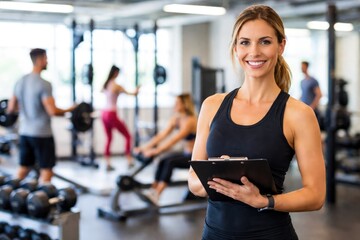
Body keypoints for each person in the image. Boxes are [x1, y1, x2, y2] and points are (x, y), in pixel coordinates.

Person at [188, 5, 326, 240]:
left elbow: (316, 195)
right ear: (235, 48)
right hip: (214, 235)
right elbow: (194, 182)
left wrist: (264, 201)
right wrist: (221, 174)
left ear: (281, 46)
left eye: (264, 42)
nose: (254, 52)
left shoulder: (297, 114)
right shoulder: (212, 106)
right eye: (244, 42)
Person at [7, 48, 76, 183]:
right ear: (39, 60)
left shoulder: (20, 81)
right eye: (46, 58)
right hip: (42, 134)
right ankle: (42, 201)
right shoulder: (44, 84)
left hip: (25, 132)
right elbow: (52, 111)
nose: (47, 61)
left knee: (23, 169)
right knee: (46, 171)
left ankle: (9, 196)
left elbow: (10, 108)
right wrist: (71, 109)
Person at [134, 93, 197, 205]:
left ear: (185, 104)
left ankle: (157, 194)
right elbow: (161, 135)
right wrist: (144, 148)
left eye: (177, 103)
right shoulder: (176, 119)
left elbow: (174, 140)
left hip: (195, 158)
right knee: (163, 160)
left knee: (170, 162)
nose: (175, 105)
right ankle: (152, 191)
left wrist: (155, 151)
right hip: (186, 154)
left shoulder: (191, 120)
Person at [101, 65, 139, 171]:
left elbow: (103, 92)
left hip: (103, 113)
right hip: (111, 113)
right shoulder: (117, 85)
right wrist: (137, 90)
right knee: (128, 136)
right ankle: (129, 160)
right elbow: (132, 94)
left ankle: (107, 163)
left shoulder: (105, 84)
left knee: (109, 138)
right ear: (115, 73)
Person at [300, 61, 324, 129]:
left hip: (312, 110)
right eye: (301, 67)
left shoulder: (313, 81)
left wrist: (312, 106)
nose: (301, 68)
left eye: (303, 66)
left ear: (307, 67)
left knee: (313, 130)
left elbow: (319, 95)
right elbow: (303, 95)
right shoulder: (302, 82)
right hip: (304, 110)